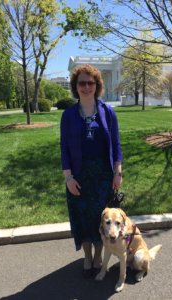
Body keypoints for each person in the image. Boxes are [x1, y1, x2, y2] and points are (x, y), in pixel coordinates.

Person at [60, 64, 123, 278]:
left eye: (91, 82)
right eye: (82, 83)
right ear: (75, 87)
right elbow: (64, 148)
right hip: (78, 175)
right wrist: (68, 177)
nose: (86, 86)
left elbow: (116, 144)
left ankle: (98, 255)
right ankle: (87, 256)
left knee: (99, 218)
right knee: (81, 218)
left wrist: (117, 172)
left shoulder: (108, 112)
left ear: (97, 85)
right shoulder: (68, 115)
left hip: (103, 176)